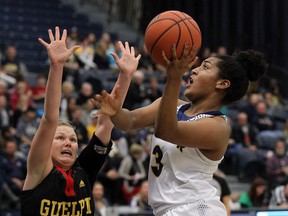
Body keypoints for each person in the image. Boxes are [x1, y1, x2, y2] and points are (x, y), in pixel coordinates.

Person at [92, 41, 267, 216]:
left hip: (195, 208)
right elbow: (128, 121)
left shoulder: (218, 127)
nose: (194, 70)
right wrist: (117, 98)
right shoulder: (172, 106)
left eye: (205, 67)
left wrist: (174, 78)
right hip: (169, 210)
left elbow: (167, 131)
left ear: (222, 84)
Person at [19, 27, 133, 216]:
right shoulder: (39, 170)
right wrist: (57, 66)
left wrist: (125, 76)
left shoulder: (83, 171)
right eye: (60, 138)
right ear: (47, 144)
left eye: (72, 140)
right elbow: (49, 119)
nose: (68, 143)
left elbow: (106, 121)